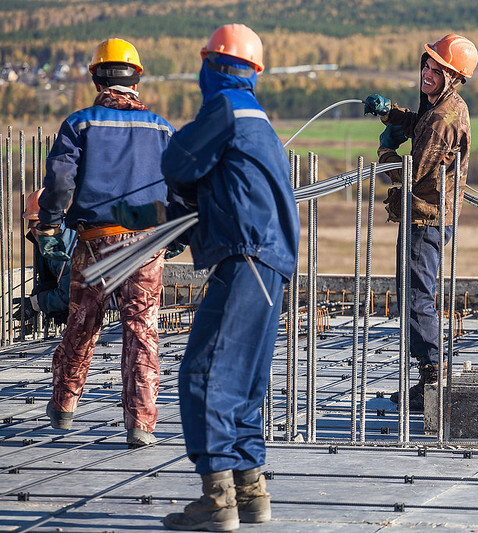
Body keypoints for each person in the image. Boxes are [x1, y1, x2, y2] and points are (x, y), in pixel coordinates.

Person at [113, 24, 299, 531]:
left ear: (212, 67)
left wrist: (168, 204)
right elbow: (225, 186)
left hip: (245, 260)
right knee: (244, 382)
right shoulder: (258, 117)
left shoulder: (225, 109)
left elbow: (178, 160)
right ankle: (251, 490)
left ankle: (217, 499)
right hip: (269, 263)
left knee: (205, 374)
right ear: (252, 71)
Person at [36, 38, 174, 447]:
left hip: (96, 242)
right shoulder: (163, 128)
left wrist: (49, 225)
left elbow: (60, 181)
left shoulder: (80, 124)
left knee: (82, 323)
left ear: (96, 76)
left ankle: (63, 409)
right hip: (147, 244)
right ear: (136, 78)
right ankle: (141, 425)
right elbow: (181, 188)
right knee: (142, 330)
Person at [363, 34, 478, 410]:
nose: (427, 73)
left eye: (437, 69)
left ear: (453, 76)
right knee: (416, 293)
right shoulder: (444, 106)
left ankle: (432, 378)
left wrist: (385, 151)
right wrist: (390, 114)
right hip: (431, 213)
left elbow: (409, 174)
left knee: (415, 296)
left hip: (425, 216)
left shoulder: (443, 120)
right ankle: (430, 374)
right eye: (426, 66)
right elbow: (419, 123)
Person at [15, 189, 73, 332]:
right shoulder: (52, 240)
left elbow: (70, 296)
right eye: (32, 224)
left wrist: (37, 303)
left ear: (57, 222)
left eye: (40, 225)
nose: (34, 231)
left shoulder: (64, 248)